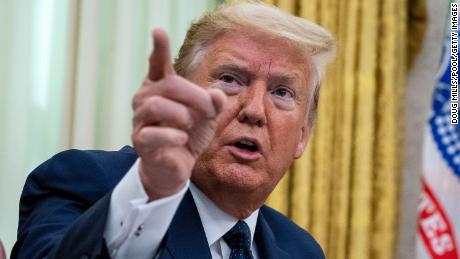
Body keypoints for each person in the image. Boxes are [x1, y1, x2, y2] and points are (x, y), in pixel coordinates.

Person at [12, 2, 335, 259]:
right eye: (230, 80)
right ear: (179, 96)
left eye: (281, 92)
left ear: (303, 136)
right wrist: (153, 190)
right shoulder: (80, 184)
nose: (253, 110)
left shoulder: (300, 249)